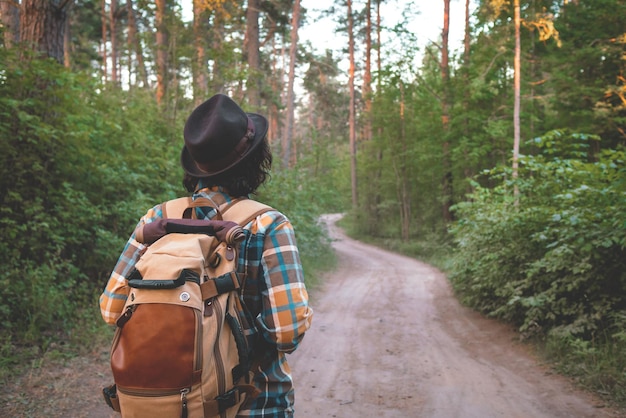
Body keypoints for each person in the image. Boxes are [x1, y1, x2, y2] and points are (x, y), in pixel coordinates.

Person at [100, 93, 313, 417]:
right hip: (255, 404)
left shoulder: (156, 220)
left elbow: (111, 309)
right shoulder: (268, 224)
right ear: (257, 160)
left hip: (166, 406)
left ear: (197, 164)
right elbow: (286, 331)